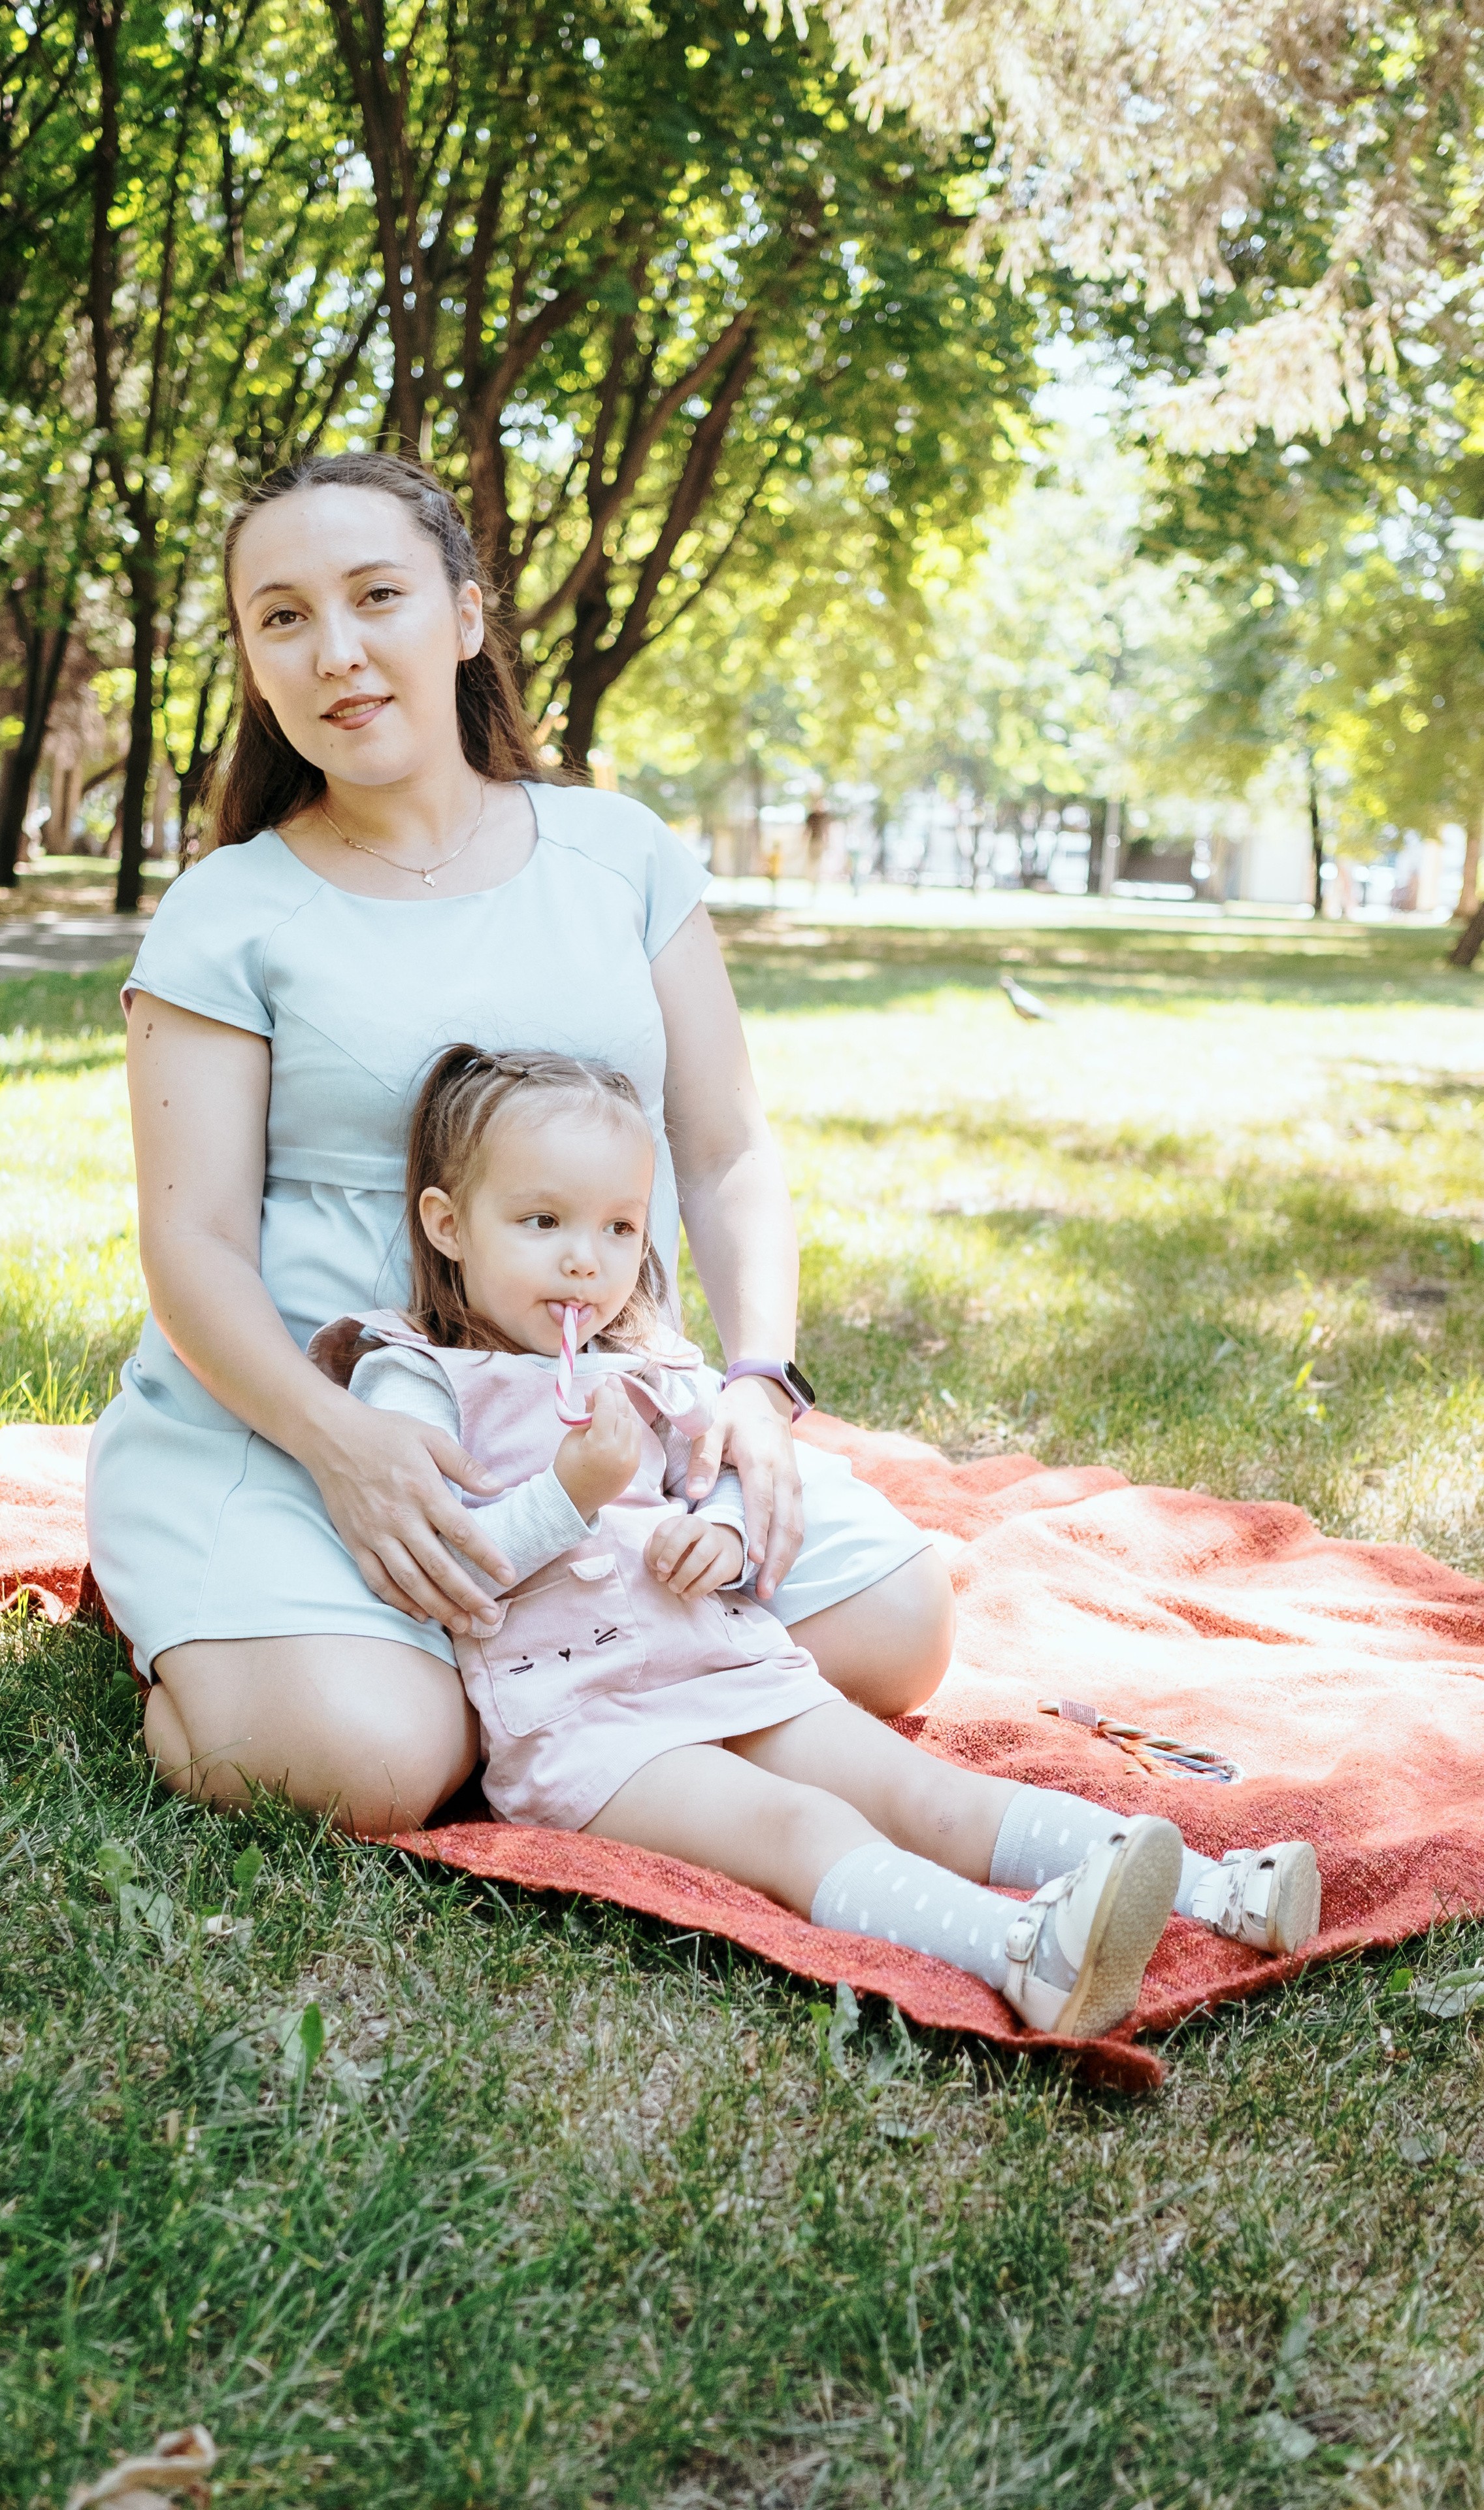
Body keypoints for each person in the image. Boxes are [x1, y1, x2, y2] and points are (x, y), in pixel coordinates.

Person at [85, 450, 951, 1837]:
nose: (338, 652)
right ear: (251, 657)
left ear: (467, 618)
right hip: (322, 1425)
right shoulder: (225, 911)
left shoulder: (616, 855)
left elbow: (725, 1151)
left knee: (894, 1626)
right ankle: (239, 1629)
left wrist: (750, 1388)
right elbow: (188, 1245)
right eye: (283, 617)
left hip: (600, 1417)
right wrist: (342, 1448)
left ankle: (523, 1678)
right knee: (371, 1765)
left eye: (378, 596)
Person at [308, 1043, 1321, 2041]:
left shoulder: (649, 1368)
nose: (586, 1259)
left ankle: (1221, 1890)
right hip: (588, 1724)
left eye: (618, 1228)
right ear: (448, 1225)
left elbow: (726, 1486)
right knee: (804, 1827)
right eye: (542, 1222)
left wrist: (721, 1539)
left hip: (721, 1655)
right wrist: (572, 1495)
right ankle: (1018, 1952)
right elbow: (442, 1568)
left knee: (927, 1793)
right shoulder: (414, 1376)